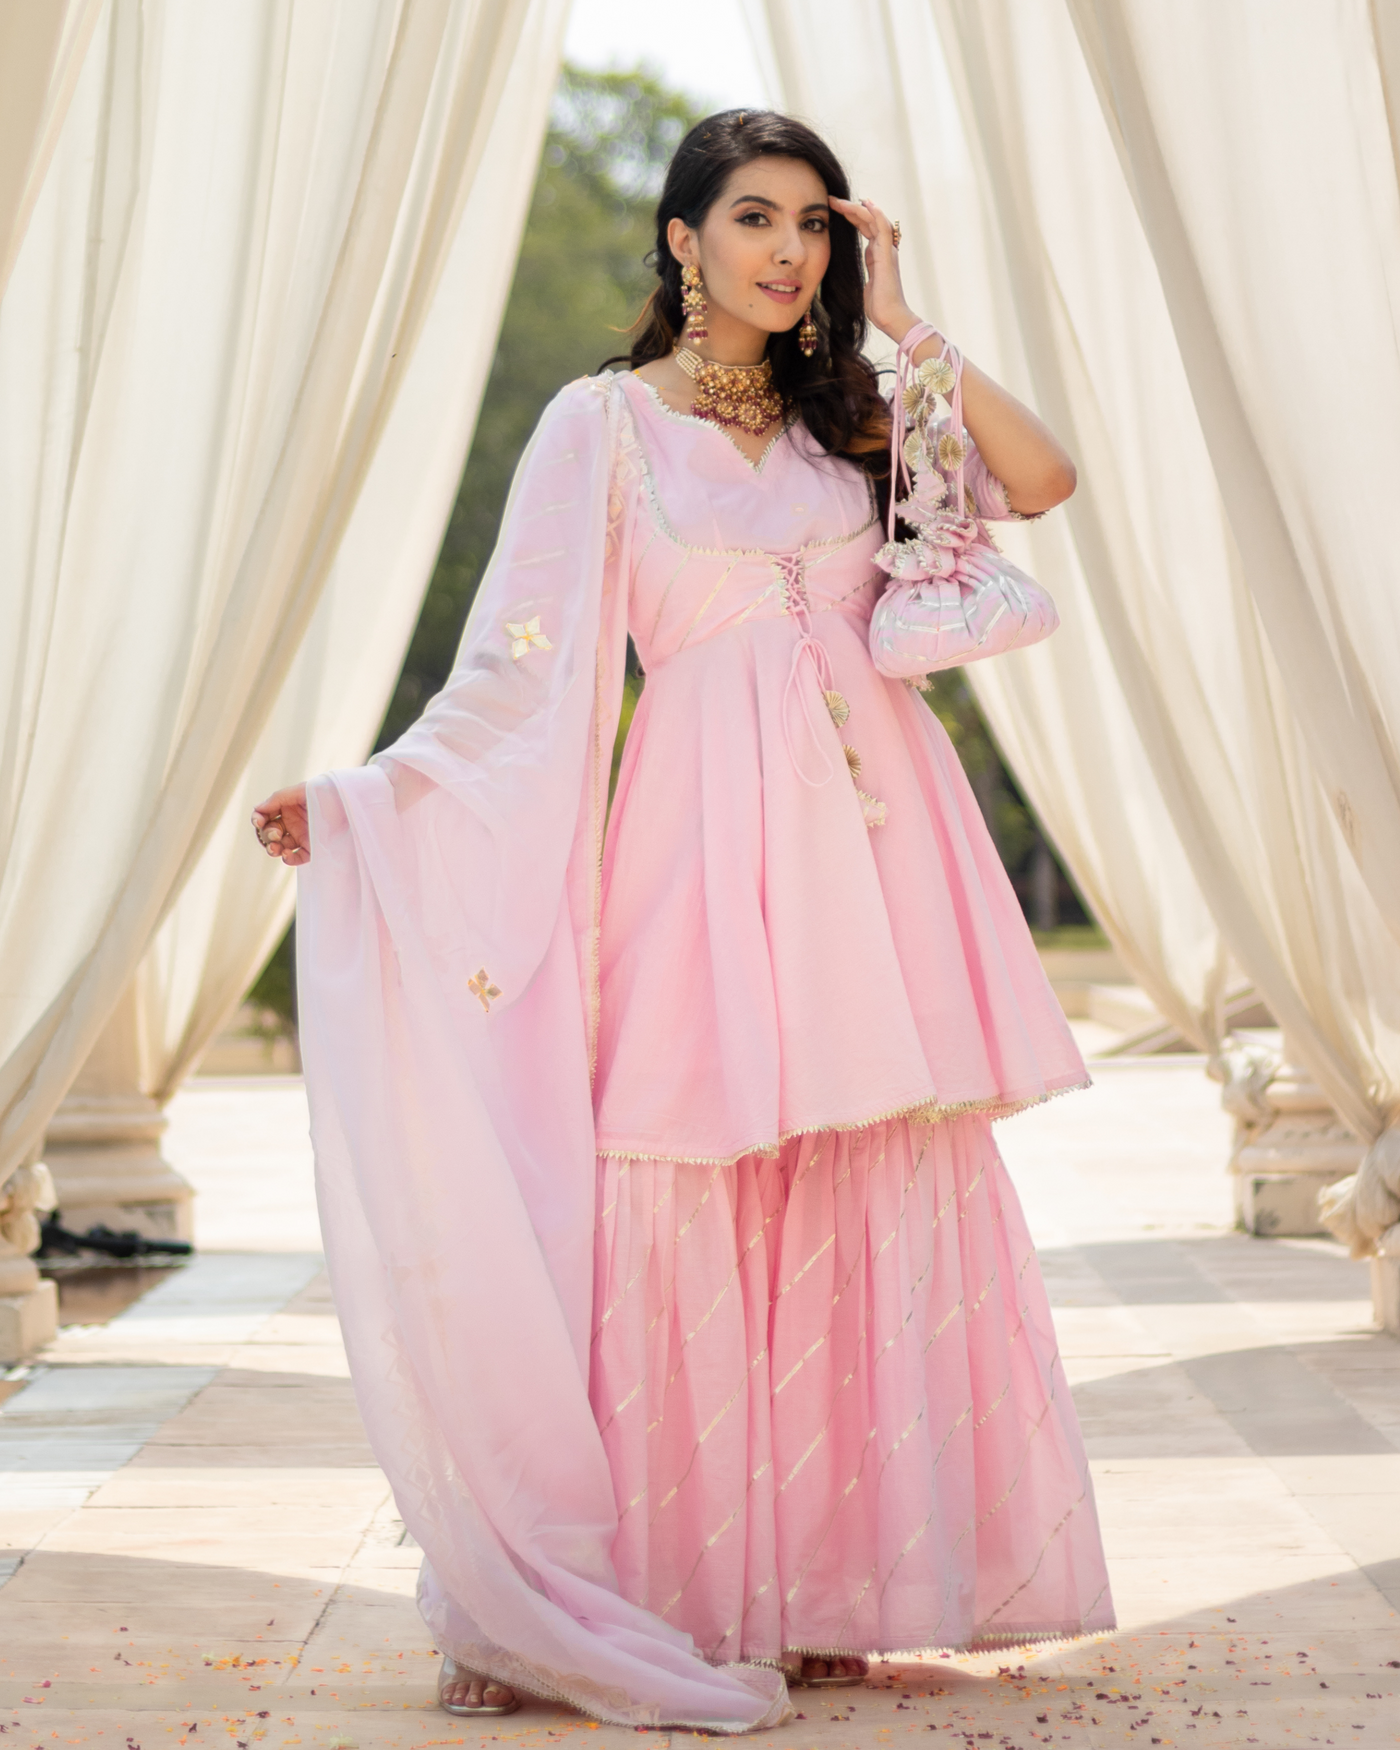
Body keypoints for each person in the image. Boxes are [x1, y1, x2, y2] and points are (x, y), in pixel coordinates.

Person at [252, 109, 1112, 1734]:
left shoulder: (856, 415)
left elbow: (1042, 480)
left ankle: (834, 1584)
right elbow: (512, 671)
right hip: (702, 839)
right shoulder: (602, 427)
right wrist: (369, 798)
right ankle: (639, 1585)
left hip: (879, 841)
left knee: (866, 1166)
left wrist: (905, 318)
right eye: (754, 217)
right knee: (679, 1167)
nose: (789, 251)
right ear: (683, 237)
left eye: (814, 224)